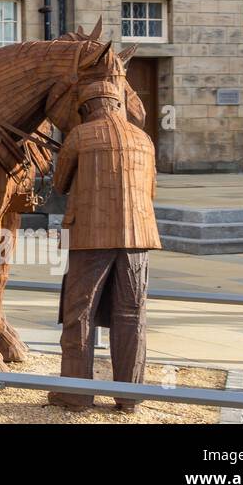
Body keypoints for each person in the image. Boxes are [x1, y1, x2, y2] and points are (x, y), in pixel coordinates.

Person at [48, 79, 161, 412]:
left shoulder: (80, 136)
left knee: (79, 314)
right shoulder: (144, 139)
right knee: (132, 315)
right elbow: (151, 190)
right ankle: (129, 399)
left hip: (89, 238)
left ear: (86, 108)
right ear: (117, 105)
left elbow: (59, 184)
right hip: (138, 237)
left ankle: (76, 395)